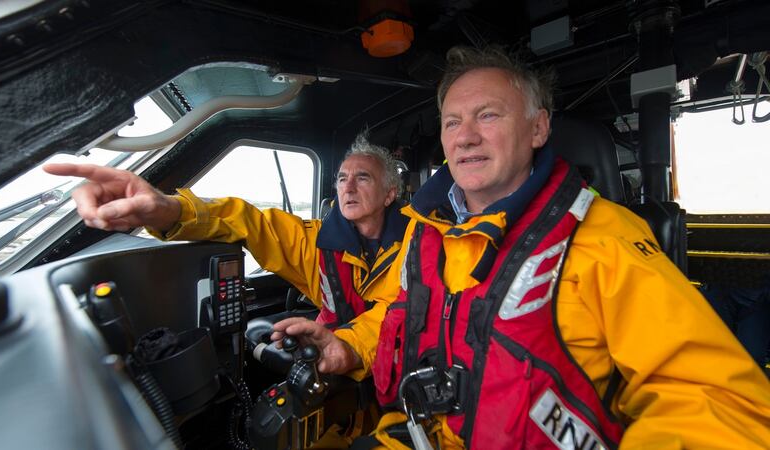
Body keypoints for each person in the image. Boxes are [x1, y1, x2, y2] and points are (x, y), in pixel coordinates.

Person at [272, 46, 770, 449]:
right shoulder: (426, 233)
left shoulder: (602, 236)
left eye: (488, 115)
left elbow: (719, 404)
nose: (466, 136)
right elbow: (402, 315)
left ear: (538, 128)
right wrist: (349, 345)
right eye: (452, 121)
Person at [43, 132, 408, 329]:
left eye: (362, 177)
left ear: (390, 192)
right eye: (342, 178)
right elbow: (242, 218)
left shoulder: (419, 248)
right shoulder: (316, 243)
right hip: (339, 375)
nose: (347, 187)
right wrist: (166, 210)